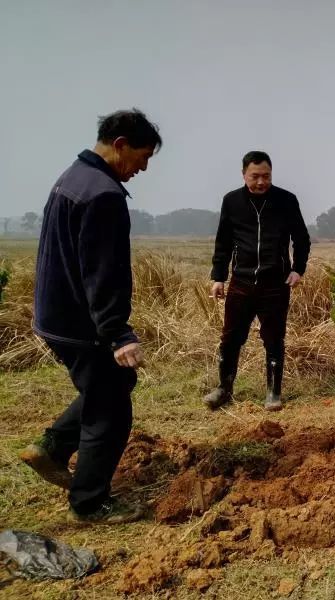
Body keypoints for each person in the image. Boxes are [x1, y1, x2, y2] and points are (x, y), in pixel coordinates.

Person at [20, 108, 161, 524]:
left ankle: (52, 447)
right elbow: (103, 271)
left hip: (56, 315)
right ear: (119, 145)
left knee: (114, 383)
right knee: (111, 408)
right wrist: (118, 333)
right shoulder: (104, 194)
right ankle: (90, 503)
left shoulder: (72, 177)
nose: (143, 168)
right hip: (82, 324)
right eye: (141, 157)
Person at [204, 151, 310, 411]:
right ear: (244, 175)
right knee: (230, 338)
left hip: (275, 284)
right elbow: (223, 243)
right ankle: (224, 388)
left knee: (274, 339)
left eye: (266, 176)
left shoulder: (286, 200)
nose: (261, 182)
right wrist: (218, 277)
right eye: (255, 176)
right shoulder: (232, 202)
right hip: (241, 282)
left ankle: (273, 393)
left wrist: (298, 270)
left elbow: (302, 238)